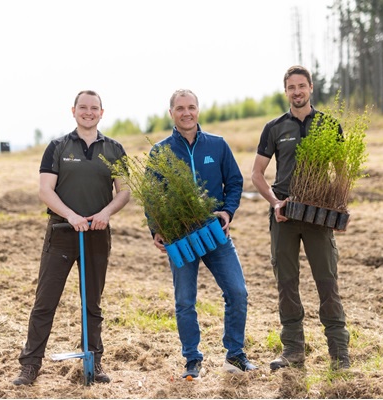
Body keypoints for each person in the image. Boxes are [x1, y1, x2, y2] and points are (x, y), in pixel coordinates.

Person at [13, 90, 131, 385]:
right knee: (45, 301)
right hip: (62, 233)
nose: (88, 112)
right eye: (83, 107)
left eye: (94, 108)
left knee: (93, 302)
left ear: (102, 113)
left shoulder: (114, 149)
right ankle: (30, 365)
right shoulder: (57, 146)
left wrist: (105, 213)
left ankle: (94, 361)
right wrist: (70, 216)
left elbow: (125, 191)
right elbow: (45, 190)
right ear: (73, 111)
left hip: (97, 234)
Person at [150, 89, 257, 379]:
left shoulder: (218, 145)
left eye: (191, 107)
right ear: (171, 112)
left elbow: (234, 182)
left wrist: (228, 211)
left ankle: (234, 355)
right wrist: (156, 229)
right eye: (180, 108)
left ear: (198, 110)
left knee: (237, 292)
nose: (187, 112)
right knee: (185, 300)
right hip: (180, 238)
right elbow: (152, 198)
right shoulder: (160, 152)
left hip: (214, 233)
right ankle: (191, 360)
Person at [251, 65, 351, 371]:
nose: (297, 92)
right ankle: (293, 350)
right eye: (291, 87)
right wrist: (275, 203)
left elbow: (343, 171)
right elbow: (256, 174)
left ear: (310, 88)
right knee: (286, 282)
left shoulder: (328, 125)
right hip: (284, 216)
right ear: (286, 92)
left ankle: (339, 353)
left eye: (302, 86)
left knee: (327, 281)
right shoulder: (274, 128)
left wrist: (339, 204)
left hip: (318, 217)